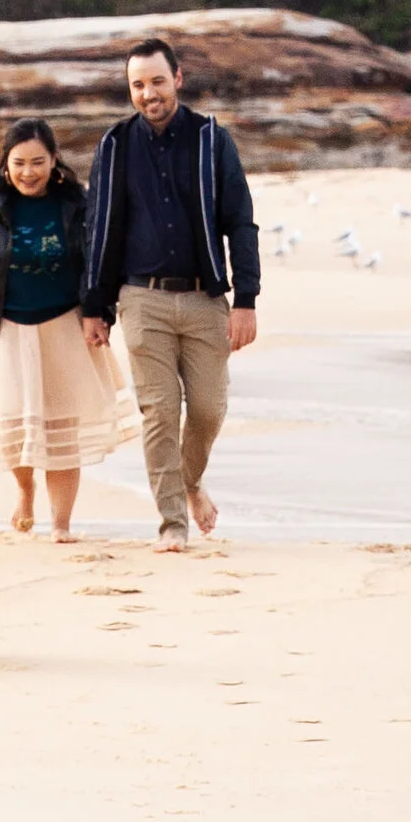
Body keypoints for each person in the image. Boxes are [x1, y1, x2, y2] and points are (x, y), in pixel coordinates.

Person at [80, 34, 260, 553]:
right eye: (138, 85)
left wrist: (246, 299)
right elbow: (98, 228)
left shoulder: (211, 140)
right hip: (141, 300)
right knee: (159, 412)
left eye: (157, 81)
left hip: (206, 299)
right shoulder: (114, 145)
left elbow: (240, 221)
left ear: (177, 79)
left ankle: (190, 481)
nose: (148, 93)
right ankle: (171, 523)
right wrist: (96, 306)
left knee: (207, 410)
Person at [0, 117, 128, 542]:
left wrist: (102, 313)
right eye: (18, 162)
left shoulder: (77, 203)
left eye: (37, 162)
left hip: (65, 328)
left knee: (63, 433)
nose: (28, 172)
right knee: (15, 426)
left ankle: (61, 524)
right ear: (5, 163)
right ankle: (25, 490)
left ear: (54, 160)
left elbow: (100, 265)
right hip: (7, 330)